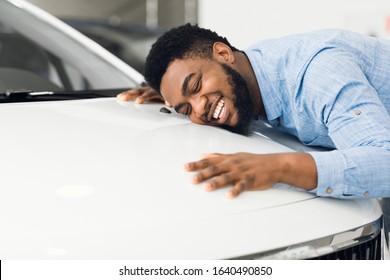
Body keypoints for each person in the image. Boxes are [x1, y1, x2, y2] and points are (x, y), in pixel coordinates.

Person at [117, 23, 390, 202]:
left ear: (223, 53)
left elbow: (384, 162)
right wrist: (174, 96)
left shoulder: (317, 73)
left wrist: (279, 166)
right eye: (186, 107)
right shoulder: (246, 74)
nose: (200, 107)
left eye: (196, 86)